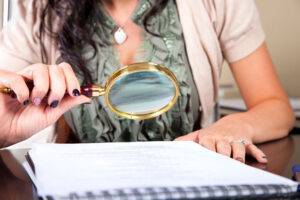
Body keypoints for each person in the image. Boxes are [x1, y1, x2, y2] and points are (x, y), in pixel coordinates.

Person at [0, 0, 295, 164]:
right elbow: (4, 95)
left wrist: (235, 125)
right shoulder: (36, 9)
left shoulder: (218, 3)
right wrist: (5, 128)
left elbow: (275, 108)